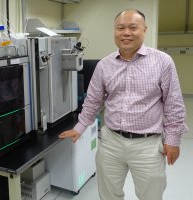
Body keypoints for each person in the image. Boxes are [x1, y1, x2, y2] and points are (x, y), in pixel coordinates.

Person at [59, 9, 188, 200]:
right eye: (121, 28)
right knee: (108, 194)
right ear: (115, 31)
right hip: (111, 142)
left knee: (151, 195)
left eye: (133, 27)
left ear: (144, 30)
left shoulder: (163, 62)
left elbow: (173, 104)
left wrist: (173, 141)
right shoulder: (104, 65)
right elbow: (93, 101)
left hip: (148, 144)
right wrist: (79, 128)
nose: (126, 32)